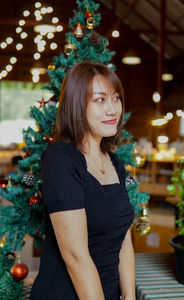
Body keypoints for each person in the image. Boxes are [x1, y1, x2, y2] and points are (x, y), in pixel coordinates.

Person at [30, 61, 135, 300]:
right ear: (78, 105)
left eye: (116, 98)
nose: (113, 110)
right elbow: (75, 256)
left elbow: (124, 240)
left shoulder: (114, 162)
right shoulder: (61, 158)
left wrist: (129, 297)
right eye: (100, 99)